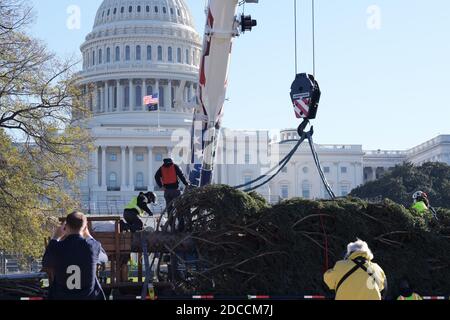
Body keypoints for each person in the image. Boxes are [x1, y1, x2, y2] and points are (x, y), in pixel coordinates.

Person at [42, 211, 107, 300]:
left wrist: (55, 237)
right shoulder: (93, 246)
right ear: (85, 227)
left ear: (66, 227)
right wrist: (88, 236)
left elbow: (45, 263)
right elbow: (104, 258)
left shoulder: (56, 247)